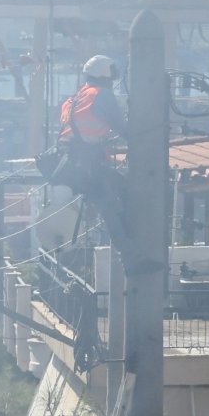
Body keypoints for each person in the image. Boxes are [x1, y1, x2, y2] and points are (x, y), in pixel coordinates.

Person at [53, 55, 155, 273]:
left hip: (73, 166)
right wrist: (148, 138)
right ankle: (132, 259)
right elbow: (123, 129)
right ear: (105, 76)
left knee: (120, 195)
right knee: (112, 207)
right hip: (88, 166)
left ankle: (131, 254)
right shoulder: (102, 96)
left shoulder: (74, 99)